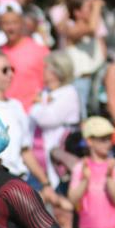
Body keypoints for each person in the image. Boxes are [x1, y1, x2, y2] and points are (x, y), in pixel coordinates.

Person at [0, 50, 69, 213]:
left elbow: (25, 150)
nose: (10, 74)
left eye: (12, 69)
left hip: (19, 182)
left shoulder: (16, 105)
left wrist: (45, 183)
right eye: (4, 70)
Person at [28, 51, 80, 198]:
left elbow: (47, 118)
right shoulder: (45, 93)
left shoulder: (68, 93)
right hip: (38, 164)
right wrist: (40, 103)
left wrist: (37, 104)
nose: (43, 71)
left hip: (58, 162)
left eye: (46, 67)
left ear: (57, 71)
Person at [0, 3, 49, 110]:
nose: (11, 28)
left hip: (33, 112)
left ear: (22, 23)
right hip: (6, 111)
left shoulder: (39, 50)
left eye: (14, 22)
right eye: (6, 23)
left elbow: (51, 82)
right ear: (0, 26)